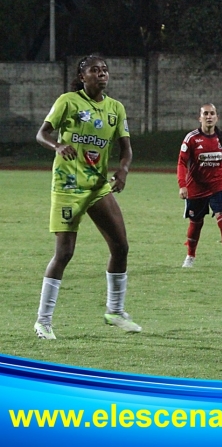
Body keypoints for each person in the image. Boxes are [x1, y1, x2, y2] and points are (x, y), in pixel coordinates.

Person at [33, 54, 142, 340]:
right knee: (64, 253)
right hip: (68, 186)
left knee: (120, 246)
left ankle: (115, 312)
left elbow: (126, 148)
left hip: (96, 186)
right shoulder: (68, 101)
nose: (102, 73)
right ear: (82, 77)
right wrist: (57, 146)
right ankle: (43, 321)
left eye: (105, 70)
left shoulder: (115, 108)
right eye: (95, 70)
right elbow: (42, 134)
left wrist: (123, 171)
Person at [178, 104, 222, 271]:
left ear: (217, 117)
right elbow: (181, 162)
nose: (209, 117)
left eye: (212, 114)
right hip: (196, 187)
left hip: (218, 185)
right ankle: (190, 255)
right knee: (196, 223)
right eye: (205, 114)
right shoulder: (192, 138)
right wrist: (182, 185)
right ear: (200, 118)